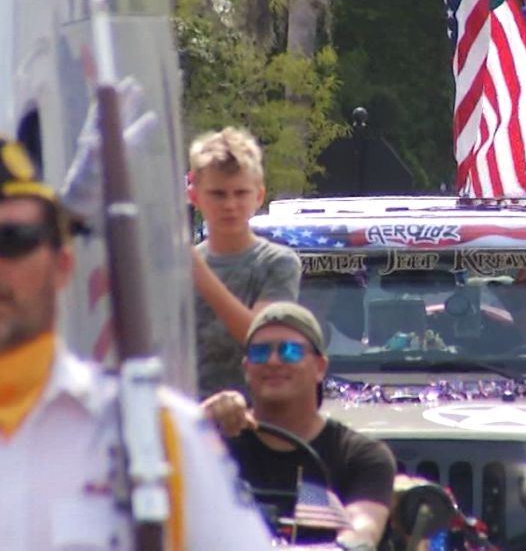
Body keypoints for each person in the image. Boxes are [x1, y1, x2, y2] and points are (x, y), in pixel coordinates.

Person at [0, 135, 274, 549]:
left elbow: (265, 338)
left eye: (13, 240)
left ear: (62, 265)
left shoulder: (159, 433)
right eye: (219, 193)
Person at [202, 302, 396, 550]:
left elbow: (362, 534)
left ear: (320, 367)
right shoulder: (217, 449)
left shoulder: (358, 456)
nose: (273, 361)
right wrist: (198, 422)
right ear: (246, 368)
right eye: (259, 353)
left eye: (289, 351)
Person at [189, 127, 302, 397]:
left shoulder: (278, 263)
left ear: (258, 196)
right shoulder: (180, 268)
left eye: (240, 193)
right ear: (195, 197)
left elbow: (261, 339)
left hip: (255, 419)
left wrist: (198, 274)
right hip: (190, 417)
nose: (230, 205)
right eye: (218, 194)